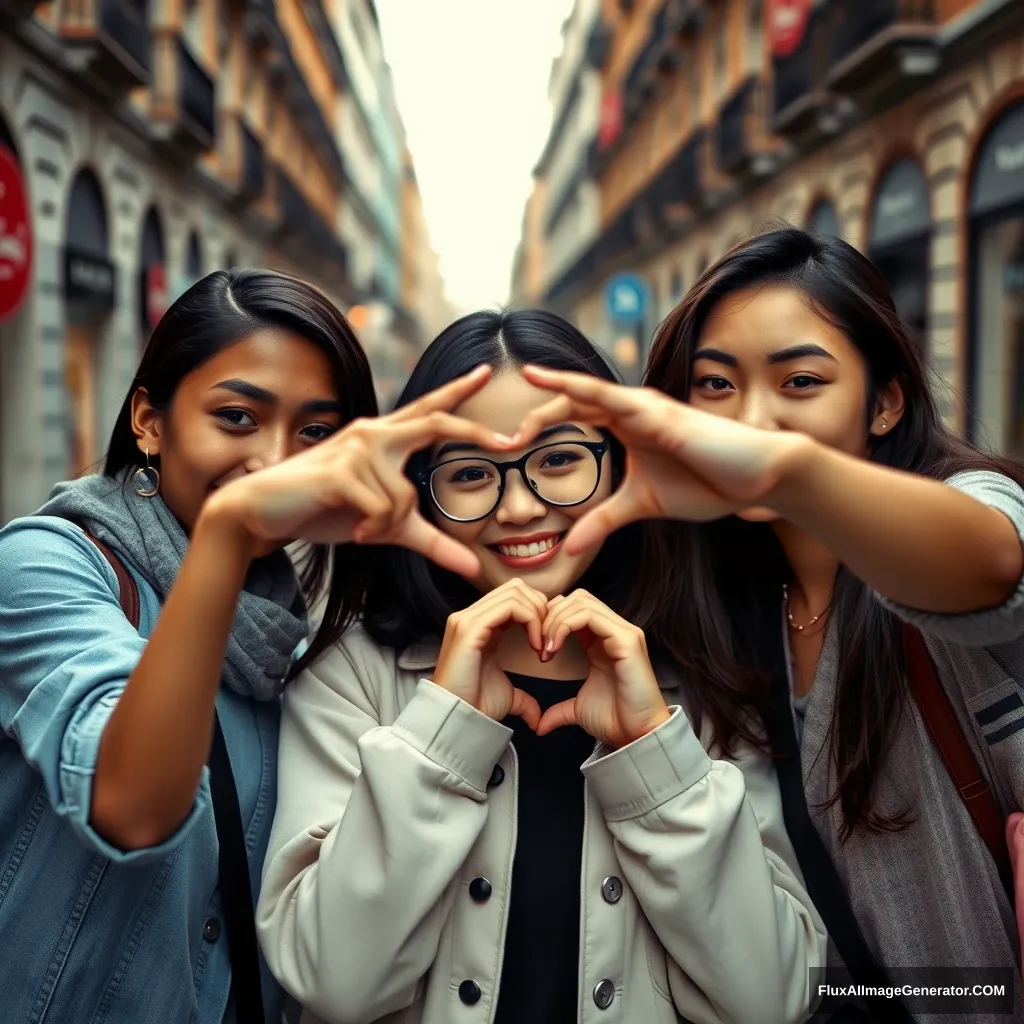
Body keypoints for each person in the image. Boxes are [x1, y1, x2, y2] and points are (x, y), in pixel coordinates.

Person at [508, 228, 1024, 1021]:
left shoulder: (965, 501)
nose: (750, 417)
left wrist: (785, 467)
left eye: (801, 381)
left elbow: (989, 563)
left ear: (884, 402)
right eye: (716, 386)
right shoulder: (719, 600)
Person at [256, 308, 826, 1024]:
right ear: (420, 491)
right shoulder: (355, 675)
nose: (521, 506)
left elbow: (774, 996)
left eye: (558, 459)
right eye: (470, 473)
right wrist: (440, 733)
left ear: (617, 460)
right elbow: (332, 980)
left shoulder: (703, 672)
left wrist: (655, 752)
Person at [0, 268, 509, 1024]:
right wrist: (228, 529)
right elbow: (132, 806)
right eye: (238, 417)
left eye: (315, 432)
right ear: (148, 419)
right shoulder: (48, 563)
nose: (276, 460)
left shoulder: (290, 629)